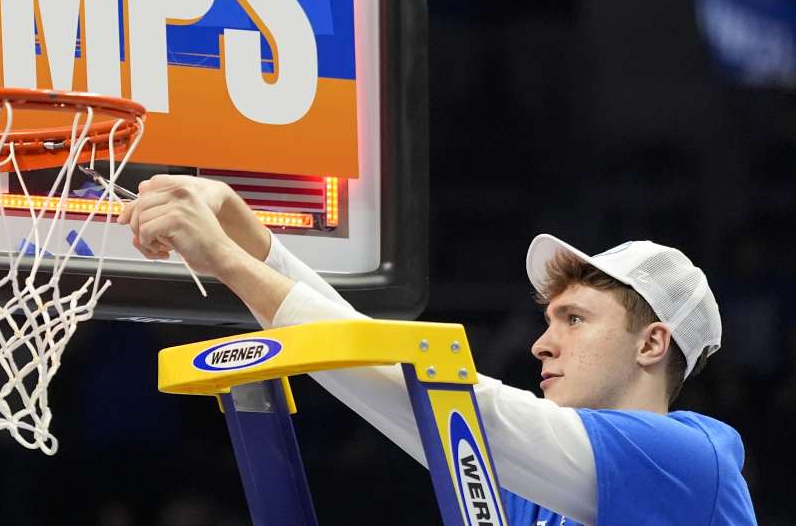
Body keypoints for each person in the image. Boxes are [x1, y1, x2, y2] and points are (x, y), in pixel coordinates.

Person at [118, 175, 758, 525]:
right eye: (549, 320)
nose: (541, 342)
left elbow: (449, 399)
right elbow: (386, 373)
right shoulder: (538, 491)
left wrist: (229, 263)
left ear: (652, 343)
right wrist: (246, 230)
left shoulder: (691, 461)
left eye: (574, 319)